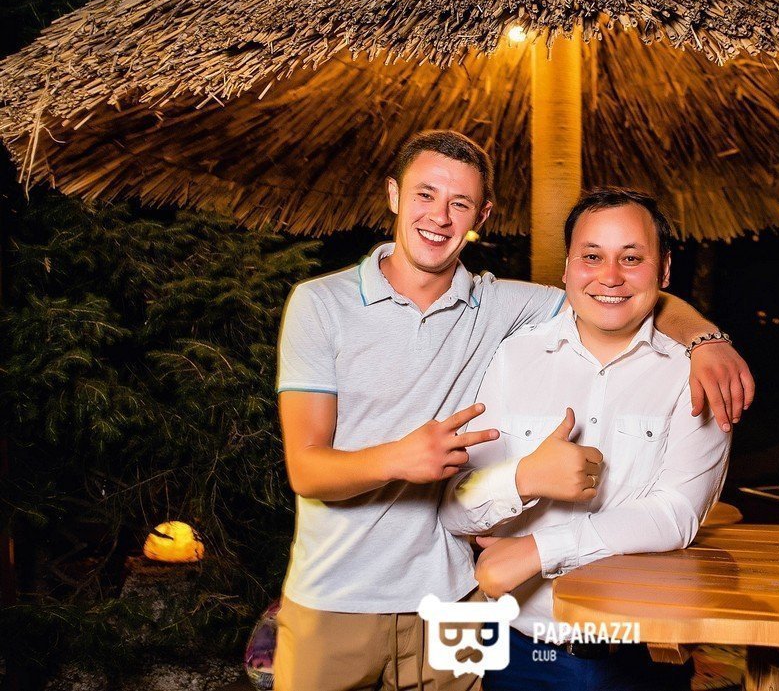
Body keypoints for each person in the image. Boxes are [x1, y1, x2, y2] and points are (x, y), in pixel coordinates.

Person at [273, 131, 751, 691]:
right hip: (337, 595)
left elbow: (619, 294)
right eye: (425, 194)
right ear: (394, 195)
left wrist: (706, 340)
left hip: (455, 596)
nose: (439, 217)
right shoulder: (321, 304)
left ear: (482, 215)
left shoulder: (503, 307)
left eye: (460, 203)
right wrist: (401, 458)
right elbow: (306, 470)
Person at [439, 188, 731, 691]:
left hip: (643, 655)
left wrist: (538, 549)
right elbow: (456, 507)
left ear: (663, 270)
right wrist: (524, 478)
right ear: (567, 268)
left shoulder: (696, 374)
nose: (609, 276)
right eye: (591, 256)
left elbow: (677, 514)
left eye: (631, 258)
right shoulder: (513, 358)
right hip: (520, 652)